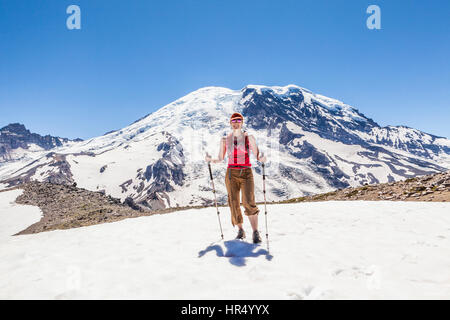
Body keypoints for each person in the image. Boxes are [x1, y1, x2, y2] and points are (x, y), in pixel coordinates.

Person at [205, 112, 267, 243]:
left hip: (246, 172)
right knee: (233, 202)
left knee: (248, 201)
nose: (236, 122)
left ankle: (255, 232)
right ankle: (240, 230)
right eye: (233, 120)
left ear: (242, 122)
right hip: (231, 173)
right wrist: (210, 159)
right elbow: (221, 158)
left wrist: (261, 158)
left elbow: (257, 155)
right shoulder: (225, 140)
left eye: (239, 120)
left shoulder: (248, 138)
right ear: (230, 123)